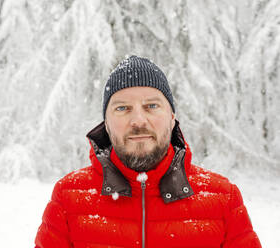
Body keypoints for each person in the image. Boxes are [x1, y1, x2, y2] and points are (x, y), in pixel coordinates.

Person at [34, 55, 261, 247]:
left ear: (172, 118)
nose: (138, 120)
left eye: (151, 106)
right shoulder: (68, 198)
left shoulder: (223, 200)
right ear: (106, 122)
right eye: (122, 108)